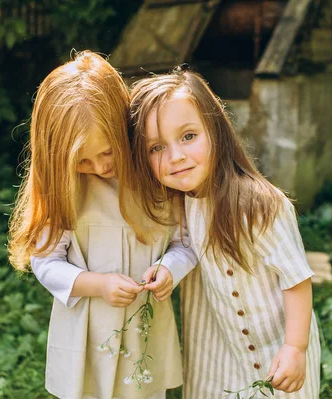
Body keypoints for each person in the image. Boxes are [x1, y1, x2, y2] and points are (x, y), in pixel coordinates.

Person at [8, 52, 197, 399]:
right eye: (83, 160)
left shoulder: (156, 178)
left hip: (145, 329)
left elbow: (185, 243)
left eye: (108, 151)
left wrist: (169, 269)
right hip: (88, 333)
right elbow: (45, 263)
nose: (98, 166)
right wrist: (97, 284)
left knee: (146, 391)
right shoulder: (67, 189)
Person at [128, 68, 321, 399]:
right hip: (217, 346)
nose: (176, 157)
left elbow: (296, 278)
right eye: (157, 148)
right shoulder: (177, 205)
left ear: (215, 130)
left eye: (188, 136)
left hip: (277, 340)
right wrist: (167, 270)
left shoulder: (258, 204)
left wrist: (295, 347)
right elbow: (183, 249)